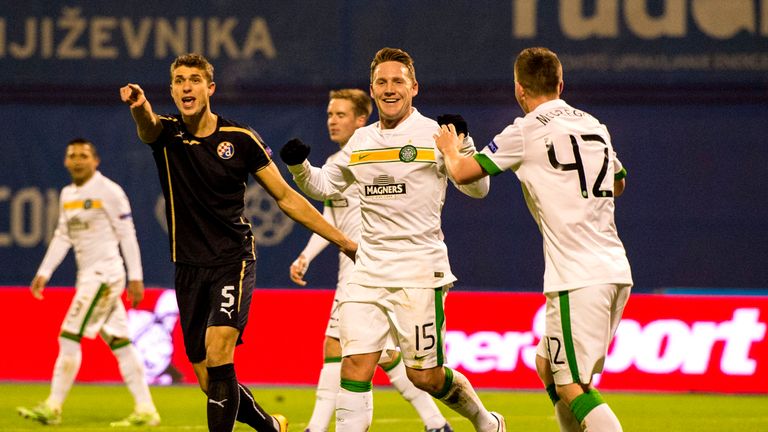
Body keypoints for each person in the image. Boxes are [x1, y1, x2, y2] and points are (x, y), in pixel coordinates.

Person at [119, 53, 356, 432]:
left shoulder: (240, 140)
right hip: (188, 267)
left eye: (194, 79)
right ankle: (270, 427)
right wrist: (140, 107)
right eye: (179, 80)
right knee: (206, 379)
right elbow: (146, 127)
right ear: (172, 90)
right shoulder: (166, 134)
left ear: (209, 88)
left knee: (218, 353)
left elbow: (285, 197)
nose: (186, 87)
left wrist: (342, 240)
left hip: (233, 260)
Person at [280, 47, 505, 432]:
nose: (389, 89)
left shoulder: (435, 135)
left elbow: (478, 189)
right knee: (354, 366)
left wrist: (463, 147)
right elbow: (325, 186)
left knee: (426, 377)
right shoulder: (361, 141)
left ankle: (486, 422)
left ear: (414, 87)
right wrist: (299, 167)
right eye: (381, 82)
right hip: (367, 272)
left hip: (419, 271)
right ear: (372, 88)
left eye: (397, 81)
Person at [433, 47, 632, 432]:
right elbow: (619, 183)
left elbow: (462, 173)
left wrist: (449, 148)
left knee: (573, 385)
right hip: (612, 267)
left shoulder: (525, 131)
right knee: (547, 366)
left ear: (519, 90)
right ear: (560, 84)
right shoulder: (594, 124)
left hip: (578, 276)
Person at [289, 88, 452, 432]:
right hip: (359, 269)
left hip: (376, 264)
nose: (332, 121)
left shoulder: (384, 151)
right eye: (330, 115)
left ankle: (316, 428)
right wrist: (306, 255)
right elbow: (328, 217)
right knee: (374, 355)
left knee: (355, 351)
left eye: (341, 114)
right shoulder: (341, 163)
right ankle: (435, 423)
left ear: (361, 119)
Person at [16, 138, 161, 427]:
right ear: (66, 161)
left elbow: (127, 234)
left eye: (84, 155)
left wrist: (136, 278)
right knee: (120, 343)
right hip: (88, 276)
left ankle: (53, 406)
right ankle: (146, 409)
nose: (78, 159)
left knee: (68, 336)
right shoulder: (68, 193)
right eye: (73, 155)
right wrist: (44, 272)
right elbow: (62, 235)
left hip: (105, 276)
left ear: (96, 161)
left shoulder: (109, 191)